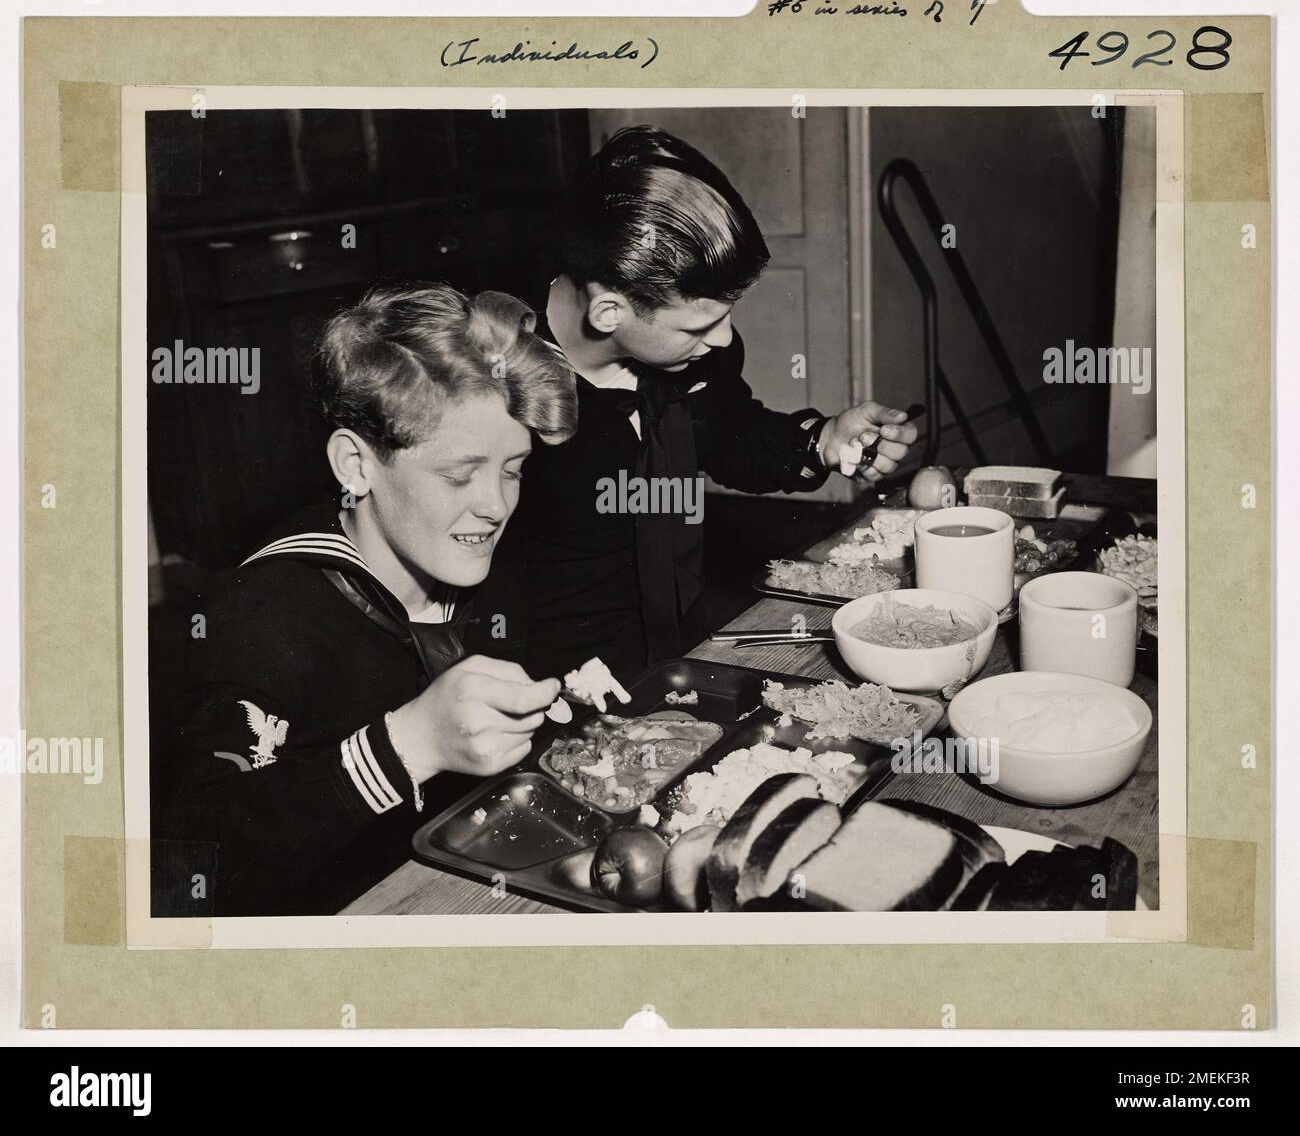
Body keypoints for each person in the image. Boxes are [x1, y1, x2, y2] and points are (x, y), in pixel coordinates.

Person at [157, 284, 577, 916]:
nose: (495, 506)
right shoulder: (262, 617)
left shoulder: (478, 564)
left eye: (514, 469)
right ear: (355, 465)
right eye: (459, 475)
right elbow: (185, 879)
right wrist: (408, 745)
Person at [468, 126, 919, 680]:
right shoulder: (483, 374)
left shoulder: (692, 357)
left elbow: (730, 434)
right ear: (609, 313)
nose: (726, 340)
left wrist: (822, 440)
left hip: (673, 647)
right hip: (542, 674)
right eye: (703, 323)